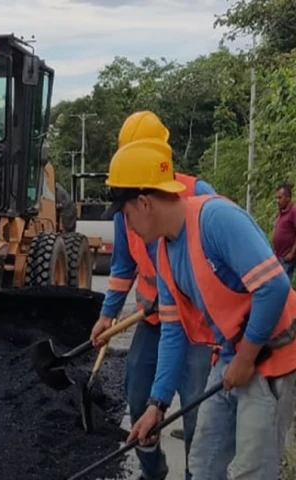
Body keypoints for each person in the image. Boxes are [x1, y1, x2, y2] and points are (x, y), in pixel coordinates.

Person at [111, 137, 296, 479]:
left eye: (126, 215)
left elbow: (274, 286)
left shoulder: (215, 219)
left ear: (143, 202)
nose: (128, 227)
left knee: (251, 471)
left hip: (272, 360)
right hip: (228, 357)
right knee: (203, 465)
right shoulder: (165, 254)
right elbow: (173, 331)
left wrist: (245, 359)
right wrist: (157, 405)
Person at [91, 110, 213, 480]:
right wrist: (107, 315)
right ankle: (152, 470)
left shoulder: (199, 196)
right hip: (153, 321)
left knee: (197, 414)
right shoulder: (125, 211)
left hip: (198, 329)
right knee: (139, 396)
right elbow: (123, 268)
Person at [274, 183, 296, 279]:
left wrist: (292, 253)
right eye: (276, 198)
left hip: (287, 257)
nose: (277, 201)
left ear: (288, 198)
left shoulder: (293, 211)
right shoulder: (280, 213)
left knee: (284, 283)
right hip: (278, 256)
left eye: (280, 198)